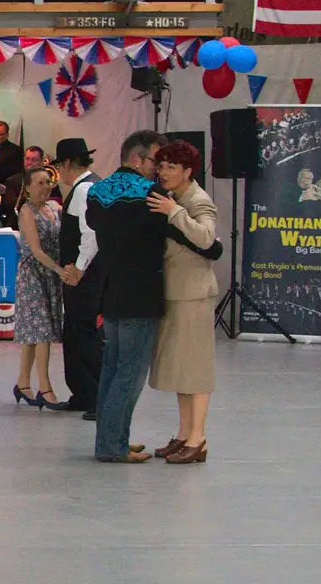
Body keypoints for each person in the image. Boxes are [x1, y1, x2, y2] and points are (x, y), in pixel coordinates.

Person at [86, 130, 168, 464]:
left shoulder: (97, 191)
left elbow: (94, 225)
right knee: (130, 374)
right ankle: (112, 446)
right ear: (137, 158)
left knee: (112, 369)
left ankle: (110, 439)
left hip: (111, 290)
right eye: (155, 161)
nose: (157, 169)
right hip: (141, 291)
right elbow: (170, 230)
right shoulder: (150, 194)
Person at [147, 140, 220, 463]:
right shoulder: (172, 197)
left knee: (197, 368)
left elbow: (205, 237)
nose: (163, 172)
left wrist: (174, 212)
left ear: (187, 171)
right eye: (160, 166)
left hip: (193, 293)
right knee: (181, 368)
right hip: (174, 291)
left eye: (171, 167)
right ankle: (183, 433)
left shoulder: (197, 199)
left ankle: (198, 438)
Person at [53, 139, 101, 419]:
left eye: (59, 165)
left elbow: (90, 233)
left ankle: (96, 396)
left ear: (68, 164)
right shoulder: (89, 185)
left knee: (84, 336)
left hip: (83, 276)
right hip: (81, 275)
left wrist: (79, 268)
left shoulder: (83, 189)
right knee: (74, 333)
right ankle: (82, 394)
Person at [13, 167, 67, 410]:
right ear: (27, 187)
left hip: (50, 273)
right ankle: (45, 388)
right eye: (40, 183)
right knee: (42, 331)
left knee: (35, 334)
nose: (45, 186)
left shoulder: (54, 209)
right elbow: (35, 250)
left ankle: (23, 383)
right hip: (33, 274)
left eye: (48, 182)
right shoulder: (26, 211)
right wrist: (59, 270)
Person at [0, 146, 47, 225]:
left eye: (34, 160)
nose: (30, 163)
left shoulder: (48, 180)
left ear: (41, 161)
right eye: (27, 159)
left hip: (43, 224)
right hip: (18, 224)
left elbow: (55, 201)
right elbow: (9, 204)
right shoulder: (12, 180)